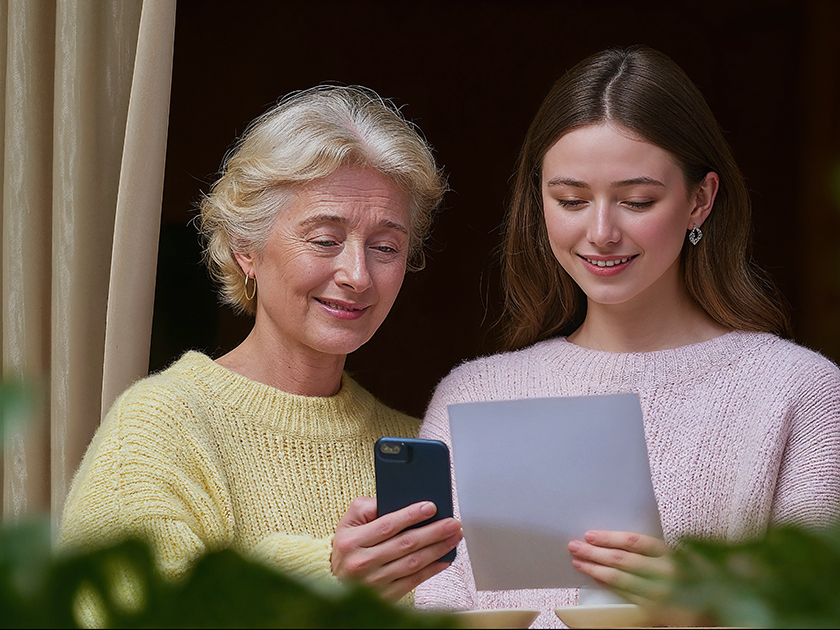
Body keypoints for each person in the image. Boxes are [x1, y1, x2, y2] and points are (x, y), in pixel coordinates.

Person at [415, 45, 840, 628]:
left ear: (700, 200)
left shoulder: (797, 393)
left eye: (637, 201)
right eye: (570, 200)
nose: (601, 232)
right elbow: (433, 606)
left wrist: (696, 610)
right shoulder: (473, 396)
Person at [58, 85, 463, 608]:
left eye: (385, 247)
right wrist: (325, 577)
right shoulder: (159, 427)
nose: (358, 275)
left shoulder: (420, 445)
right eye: (325, 240)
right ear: (244, 247)